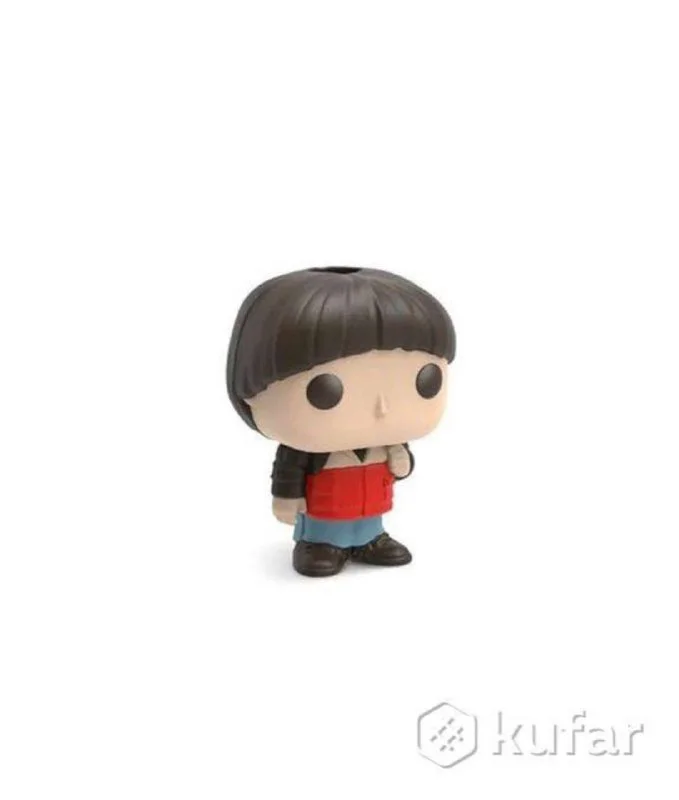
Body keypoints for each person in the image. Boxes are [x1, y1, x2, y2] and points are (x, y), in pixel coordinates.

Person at [226, 266, 456, 577]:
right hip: (323, 516)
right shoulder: (306, 449)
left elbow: (401, 468)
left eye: (425, 382)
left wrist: (402, 460)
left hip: (371, 509)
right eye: (327, 390)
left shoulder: (388, 443)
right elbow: (289, 469)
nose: (382, 408)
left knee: (370, 522)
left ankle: (370, 539)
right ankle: (319, 544)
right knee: (325, 529)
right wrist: (286, 498)